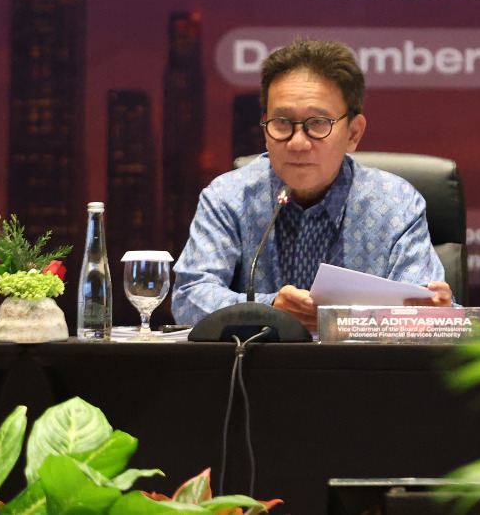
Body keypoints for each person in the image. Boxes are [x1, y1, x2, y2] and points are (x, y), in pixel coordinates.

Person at [172, 38, 452, 329]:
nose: (297, 142)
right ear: (265, 128)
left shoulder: (396, 203)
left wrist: (435, 314)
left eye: (318, 123)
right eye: (282, 122)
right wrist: (269, 310)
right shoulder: (228, 197)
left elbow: (423, 305)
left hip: (358, 359)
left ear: (353, 133)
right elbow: (188, 299)